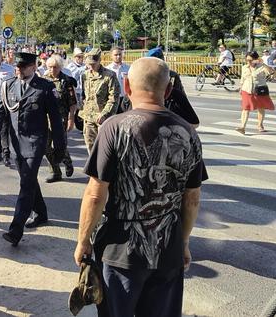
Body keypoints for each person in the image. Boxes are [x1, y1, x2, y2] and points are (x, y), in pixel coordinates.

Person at [75, 57, 207, 317]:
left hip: (120, 251)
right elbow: (192, 198)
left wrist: (83, 241)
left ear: (126, 85)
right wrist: (184, 242)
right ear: (168, 90)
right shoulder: (189, 133)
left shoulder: (113, 128)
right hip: (168, 249)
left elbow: (95, 194)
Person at [0, 52, 66, 246]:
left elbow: (56, 121)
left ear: (33, 67)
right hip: (16, 143)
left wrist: (60, 147)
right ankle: (41, 212)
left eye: (24, 67)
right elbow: (0, 113)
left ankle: (16, 230)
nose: (19, 70)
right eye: (18, 67)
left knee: (26, 185)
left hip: (35, 142)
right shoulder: (8, 85)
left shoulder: (45, 88)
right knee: (28, 181)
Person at [42, 54, 76, 182]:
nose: (52, 70)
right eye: (50, 67)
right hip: (46, 119)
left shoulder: (66, 81)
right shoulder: (44, 80)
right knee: (45, 146)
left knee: (60, 145)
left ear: (60, 67)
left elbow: (72, 103)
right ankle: (55, 171)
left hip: (61, 119)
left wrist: (71, 119)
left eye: (55, 67)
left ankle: (67, 161)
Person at [79, 48, 120, 154]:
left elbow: (114, 98)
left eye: (93, 64)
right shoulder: (85, 75)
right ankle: (93, 170)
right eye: (89, 64)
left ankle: (104, 170)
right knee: (91, 147)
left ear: (99, 61)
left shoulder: (109, 76)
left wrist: (105, 114)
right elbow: (84, 95)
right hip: (88, 118)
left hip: (103, 118)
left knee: (104, 149)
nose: (91, 66)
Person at [236, 51, 275, 134]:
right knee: (245, 108)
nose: (248, 62)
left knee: (261, 108)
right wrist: (240, 87)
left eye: (250, 60)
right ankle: (242, 127)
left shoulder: (262, 67)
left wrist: (263, 63)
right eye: (247, 60)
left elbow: (272, 72)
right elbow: (242, 78)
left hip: (259, 91)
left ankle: (260, 125)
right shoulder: (244, 67)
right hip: (246, 90)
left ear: (255, 59)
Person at [105, 47, 130, 111]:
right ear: (111, 56)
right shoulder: (107, 69)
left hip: (125, 100)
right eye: (116, 55)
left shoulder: (128, 68)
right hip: (111, 100)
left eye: (120, 54)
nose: (118, 56)